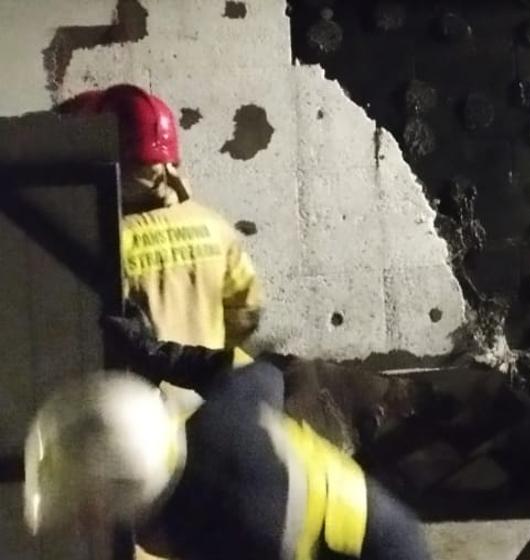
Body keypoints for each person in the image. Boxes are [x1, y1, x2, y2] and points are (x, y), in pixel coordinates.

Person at [22, 309, 433, 560]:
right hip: (378, 523)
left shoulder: (224, 533)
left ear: (124, 491)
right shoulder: (216, 423)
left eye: (88, 508)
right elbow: (256, 372)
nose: (84, 523)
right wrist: (155, 354)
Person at [58, 84, 263, 412]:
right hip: (209, 404)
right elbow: (246, 312)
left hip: (138, 422)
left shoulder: (103, 241)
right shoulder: (216, 227)